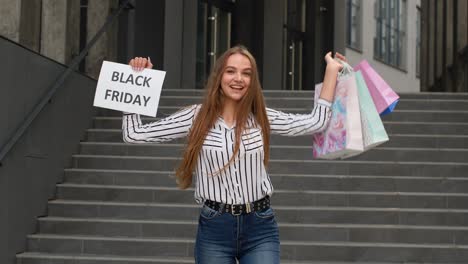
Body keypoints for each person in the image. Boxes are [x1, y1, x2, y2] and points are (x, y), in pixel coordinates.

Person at [123, 45, 346, 264]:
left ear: (252, 81)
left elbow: (316, 121)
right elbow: (134, 134)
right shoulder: (195, 117)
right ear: (219, 75)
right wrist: (137, 82)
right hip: (214, 228)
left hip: (260, 226)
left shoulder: (261, 117)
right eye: (231, 71)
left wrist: (331, 70)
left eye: (246, 73)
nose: (238, 78)